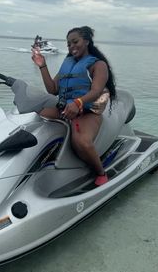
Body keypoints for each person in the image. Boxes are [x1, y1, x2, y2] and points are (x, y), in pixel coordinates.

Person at [31, 26, 116, 186]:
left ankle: (100, 172)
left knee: (82, 142)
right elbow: (53, 89)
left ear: (86, 41)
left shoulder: (98, 65)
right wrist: (42, 65)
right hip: (65, 108)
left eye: (75, 42)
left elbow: (96, 91)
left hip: (87, 111)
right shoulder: (68, 62)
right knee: (37, 112)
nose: (71, 46)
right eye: (68, 44)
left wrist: (78, 103)